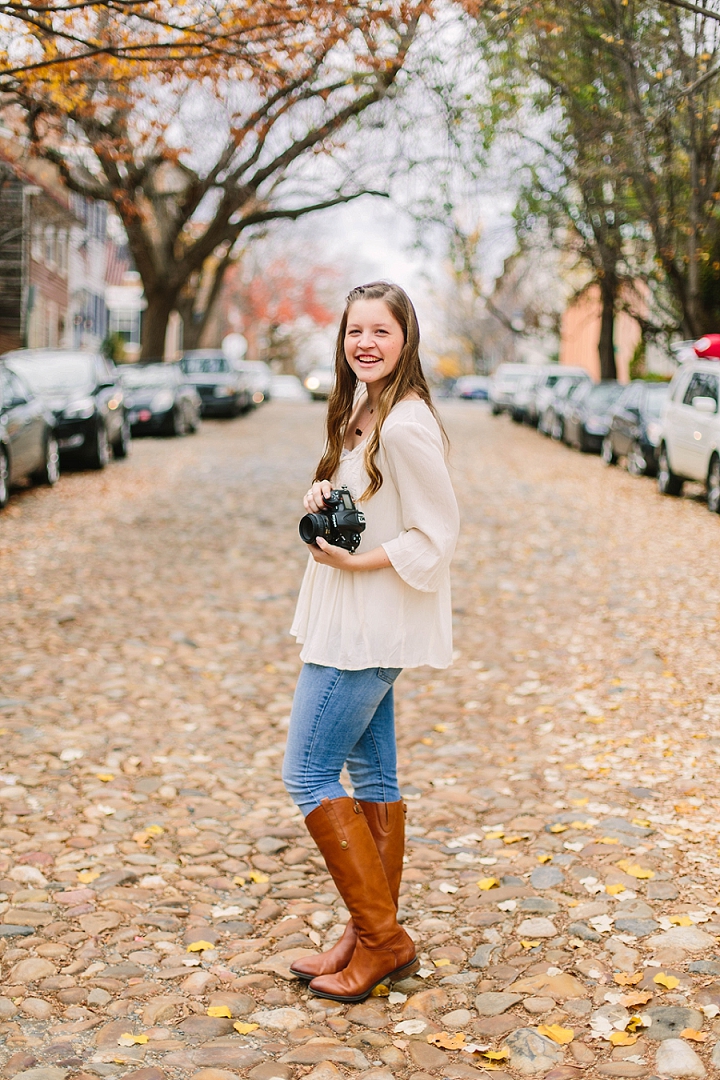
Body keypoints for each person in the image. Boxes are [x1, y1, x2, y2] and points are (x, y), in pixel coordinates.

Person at [282, 281, 460, 1003]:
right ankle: (369, 933)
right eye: (356, 331)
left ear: (405, 339)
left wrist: (359, 560)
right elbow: (371, 499)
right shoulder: (365, 409)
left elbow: (437, 533)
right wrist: (320, 494)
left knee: (307, 774)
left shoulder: (408, 424)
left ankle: (383, 940)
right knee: (374, 781)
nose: (366, 343)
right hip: (355, 616)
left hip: (368, 623)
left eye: (381, 332)